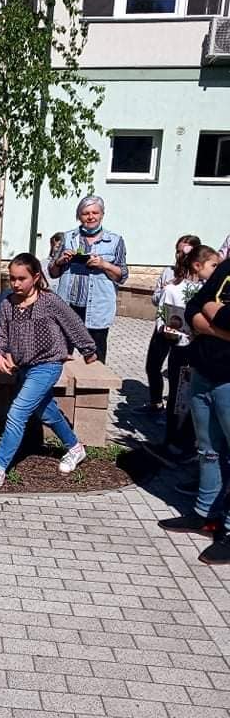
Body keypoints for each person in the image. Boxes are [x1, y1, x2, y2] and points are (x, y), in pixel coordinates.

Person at [0, 253, 97, 491]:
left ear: (36, 277)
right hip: (24, 368)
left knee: (17, 412)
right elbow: (1, 336)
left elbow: (73, 323)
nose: (16, 284)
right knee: (46, 412)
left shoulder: (49, 301)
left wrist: (88, 350)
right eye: (12, 278)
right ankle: (75, 448)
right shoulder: (7, 304)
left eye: (22, 279)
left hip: (48, 365)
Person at [158, 246, 230, 564]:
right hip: (204, 372)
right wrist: (215, 320)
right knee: (208, 449)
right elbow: (193, 308)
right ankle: (204, 514)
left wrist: (212, 313)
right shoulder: (226, 267)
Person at [49, 195, 128, 364]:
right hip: (68, 306)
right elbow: (53, 272)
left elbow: (122, 276)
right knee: (61, 355)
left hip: (97, 309)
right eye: (86, 213)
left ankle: (93, 381)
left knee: (95, 358)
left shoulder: (115, 241)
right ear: (79, 216)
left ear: (102, 215)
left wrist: (104, 264)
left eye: (95, 213)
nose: (91, 217)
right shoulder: (67, 238)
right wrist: (60, 261)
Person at [152, 241, 208, 458]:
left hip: (200, 352)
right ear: (197, 265)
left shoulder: (208, 291)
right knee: (177, 396)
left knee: (192, 397)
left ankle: (188, 442)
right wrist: (167, 330)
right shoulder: (173, 289)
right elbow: (162, 317)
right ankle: (172, 440)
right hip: (180, 349)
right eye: (213, 265)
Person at [136, 235, 200, 416]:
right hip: (165, 325)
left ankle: (176, 409)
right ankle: (155, 403)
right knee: (152, 365)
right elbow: (155, 299)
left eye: (184, 252)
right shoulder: (169, 272)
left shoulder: (201, 277)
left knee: (177, 372)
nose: (180, 255)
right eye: (177, 251)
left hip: (186, 331)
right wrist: (165, 290)